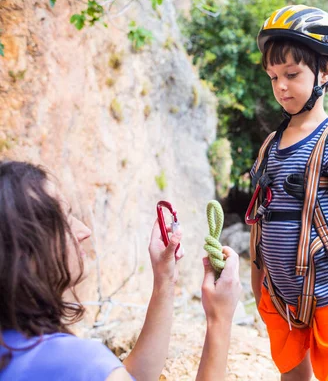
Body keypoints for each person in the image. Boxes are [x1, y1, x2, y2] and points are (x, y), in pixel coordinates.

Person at [0, 160, 241, 381]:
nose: (83, 230)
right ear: (22, 254)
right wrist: (219, 320)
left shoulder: (13, 347)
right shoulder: (79, 364)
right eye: (64, 220)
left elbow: (129, 376)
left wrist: (165, 280)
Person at [249, 5, 328, 381]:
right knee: (290, 372)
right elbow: (260, 214)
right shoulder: (271, 144)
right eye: (273, 77)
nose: (281, 86)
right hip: (278, 291)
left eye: (291, 74)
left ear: (326, 70)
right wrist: (257, 283)